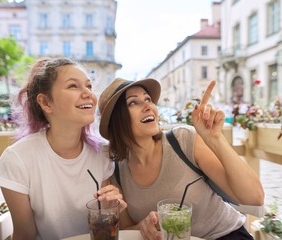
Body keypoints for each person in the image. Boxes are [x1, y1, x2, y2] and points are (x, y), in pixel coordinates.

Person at [98, 78, 264, 240]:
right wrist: (143, 226)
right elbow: (128, 229)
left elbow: (254, 197)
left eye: (148, 99)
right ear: (116, 121)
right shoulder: (117, 172)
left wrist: (215, 138)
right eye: (133, 102)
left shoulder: (183, 139)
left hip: (225, 235)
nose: (148, 106)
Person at [0, 57, 126, 240]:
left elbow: (106, 224)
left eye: (89, 86)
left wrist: (113, 207)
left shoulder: (102, 153)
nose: (88, 94)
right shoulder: (17, 158)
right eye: (73, 86)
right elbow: (25, 235)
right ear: (45, 103)